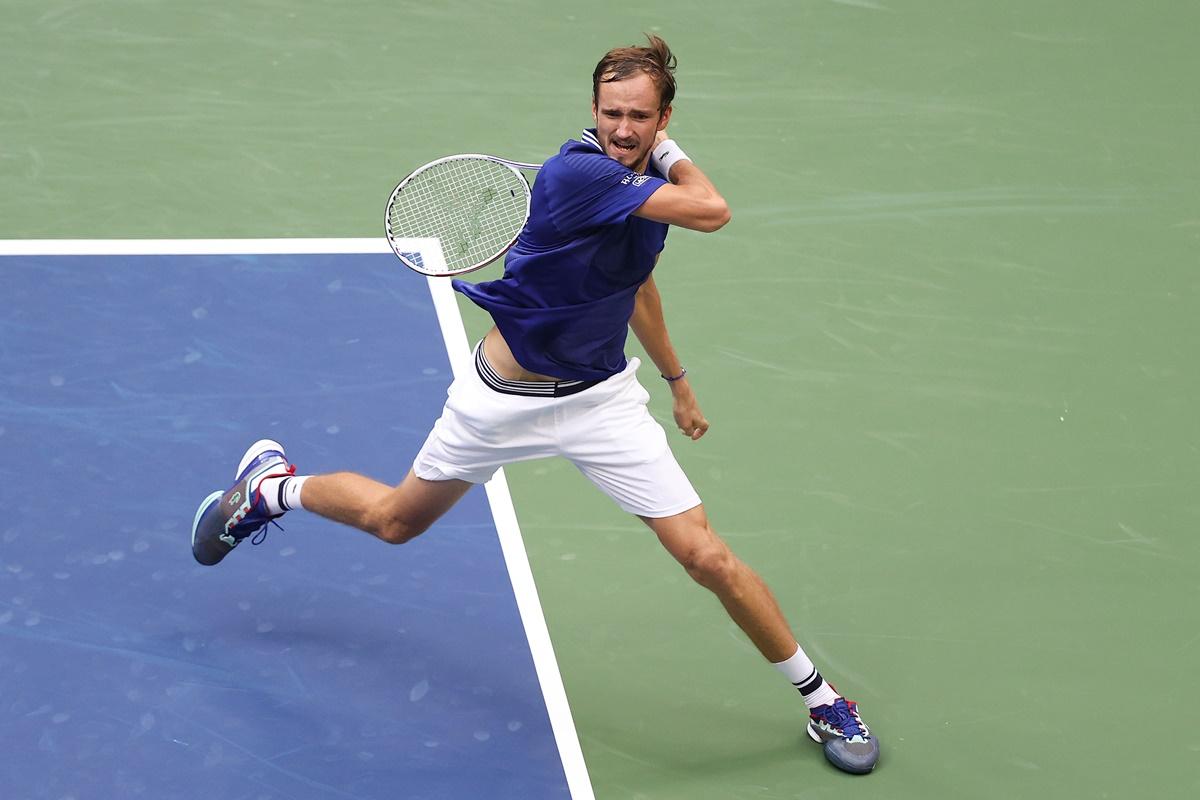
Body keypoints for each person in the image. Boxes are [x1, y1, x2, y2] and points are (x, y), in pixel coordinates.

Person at [191, 34, 879, 775]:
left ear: (663, 115)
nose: (623, 128)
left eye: (640, 116)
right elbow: (713, 210)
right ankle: (273, 488)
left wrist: (677, 380)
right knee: (395, 523)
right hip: (500, 404)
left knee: (705, 555)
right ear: (593, 109)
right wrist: (673, 153)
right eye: (612, 112)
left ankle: (821, 699)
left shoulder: (638, 185)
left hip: (602, 404)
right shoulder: (577, 175)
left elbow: (636, 283)